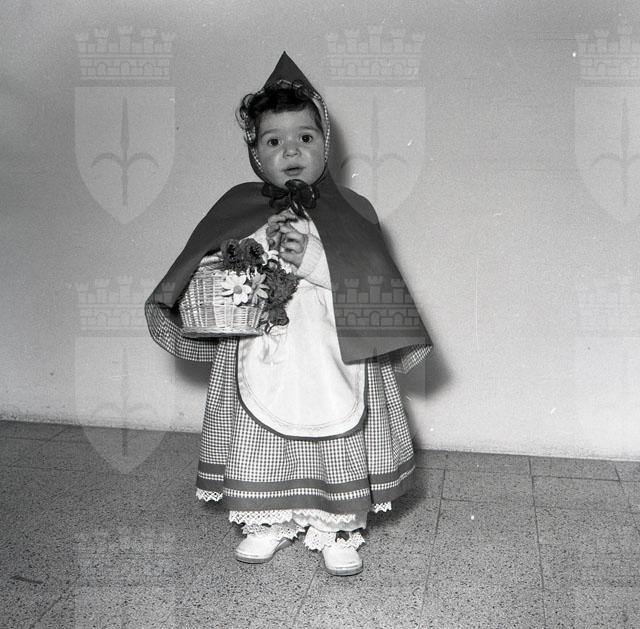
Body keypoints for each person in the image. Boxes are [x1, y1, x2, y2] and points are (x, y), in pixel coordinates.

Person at [144, 52, 432, 576]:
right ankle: (266, 520)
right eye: (273, 141)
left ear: (326, 142)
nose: (291, 150)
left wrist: (315, 258)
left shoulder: (354, 209)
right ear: (255, 152)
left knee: (337, 424)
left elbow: (373, 281)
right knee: (262, 431)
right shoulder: (238, 205)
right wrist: (244, 259)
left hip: (334, 348)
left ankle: (337, 525)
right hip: (264, 345)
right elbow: (210, 262)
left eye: (305, 136)